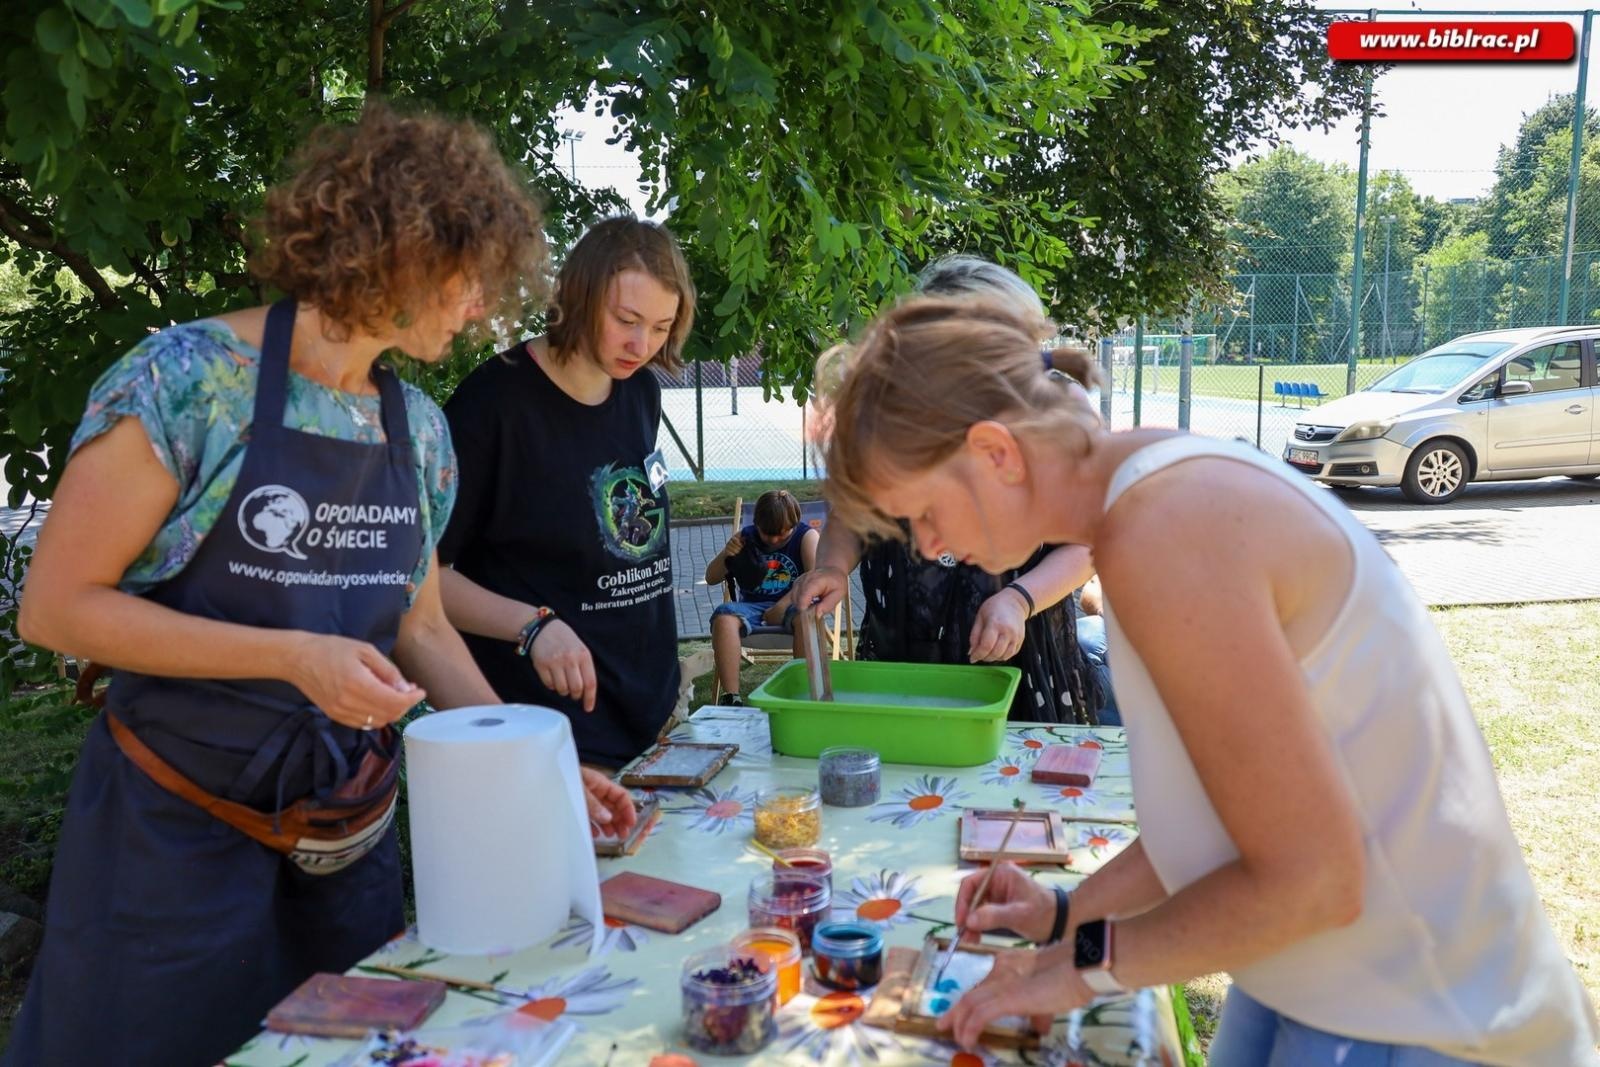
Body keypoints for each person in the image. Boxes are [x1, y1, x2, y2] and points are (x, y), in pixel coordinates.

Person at [6, 107, 633, 1067]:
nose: (480, 310)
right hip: (170, 838)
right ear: (405, 252)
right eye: (470, 281)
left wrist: (541, 768)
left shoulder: (417, 427)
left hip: (347, 840)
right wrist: (292, 657)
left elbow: (421, 629)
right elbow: (56, 606)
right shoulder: (186, 382)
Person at [821, 296, 1599, 1064]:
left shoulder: (1165, 532)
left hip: (1422, 1012)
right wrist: (1065, 914)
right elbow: (1224, 815)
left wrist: (1079, 966)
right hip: (1329, 980)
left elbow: (1315, 880)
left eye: (921, 511)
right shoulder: (1145, 497)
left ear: (996, 453)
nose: (928, 545)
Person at [796, 255, 1104, 724]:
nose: (932, 546)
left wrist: (1018, 599)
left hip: (1025, 666)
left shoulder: (1055, 414)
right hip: (907, 643)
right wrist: (834, 567)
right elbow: (853, 512)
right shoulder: (900, 412)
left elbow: (1087, 539)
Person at [438, 217, 695, 768]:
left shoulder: (641, 392)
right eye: (626, 320)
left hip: (652, 721)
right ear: (578, 296)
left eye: (659, 327)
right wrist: (533, 626)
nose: (640, 344)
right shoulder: (492, 407)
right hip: (548, 735)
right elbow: (418, 580)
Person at [703, 488, 819, 704]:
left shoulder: (806, 537)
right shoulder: (746, 537)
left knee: (807, 616)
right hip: (752, 608)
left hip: (795, 602)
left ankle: (803, 691)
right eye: (768, 533)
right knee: (723, 616)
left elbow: (813, 580)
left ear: (794, 524)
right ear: (757, 524)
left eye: (782, 533)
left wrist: (782, 606)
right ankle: (732, 696)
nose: (774, 539)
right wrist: (727, 555)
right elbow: (711, 577)